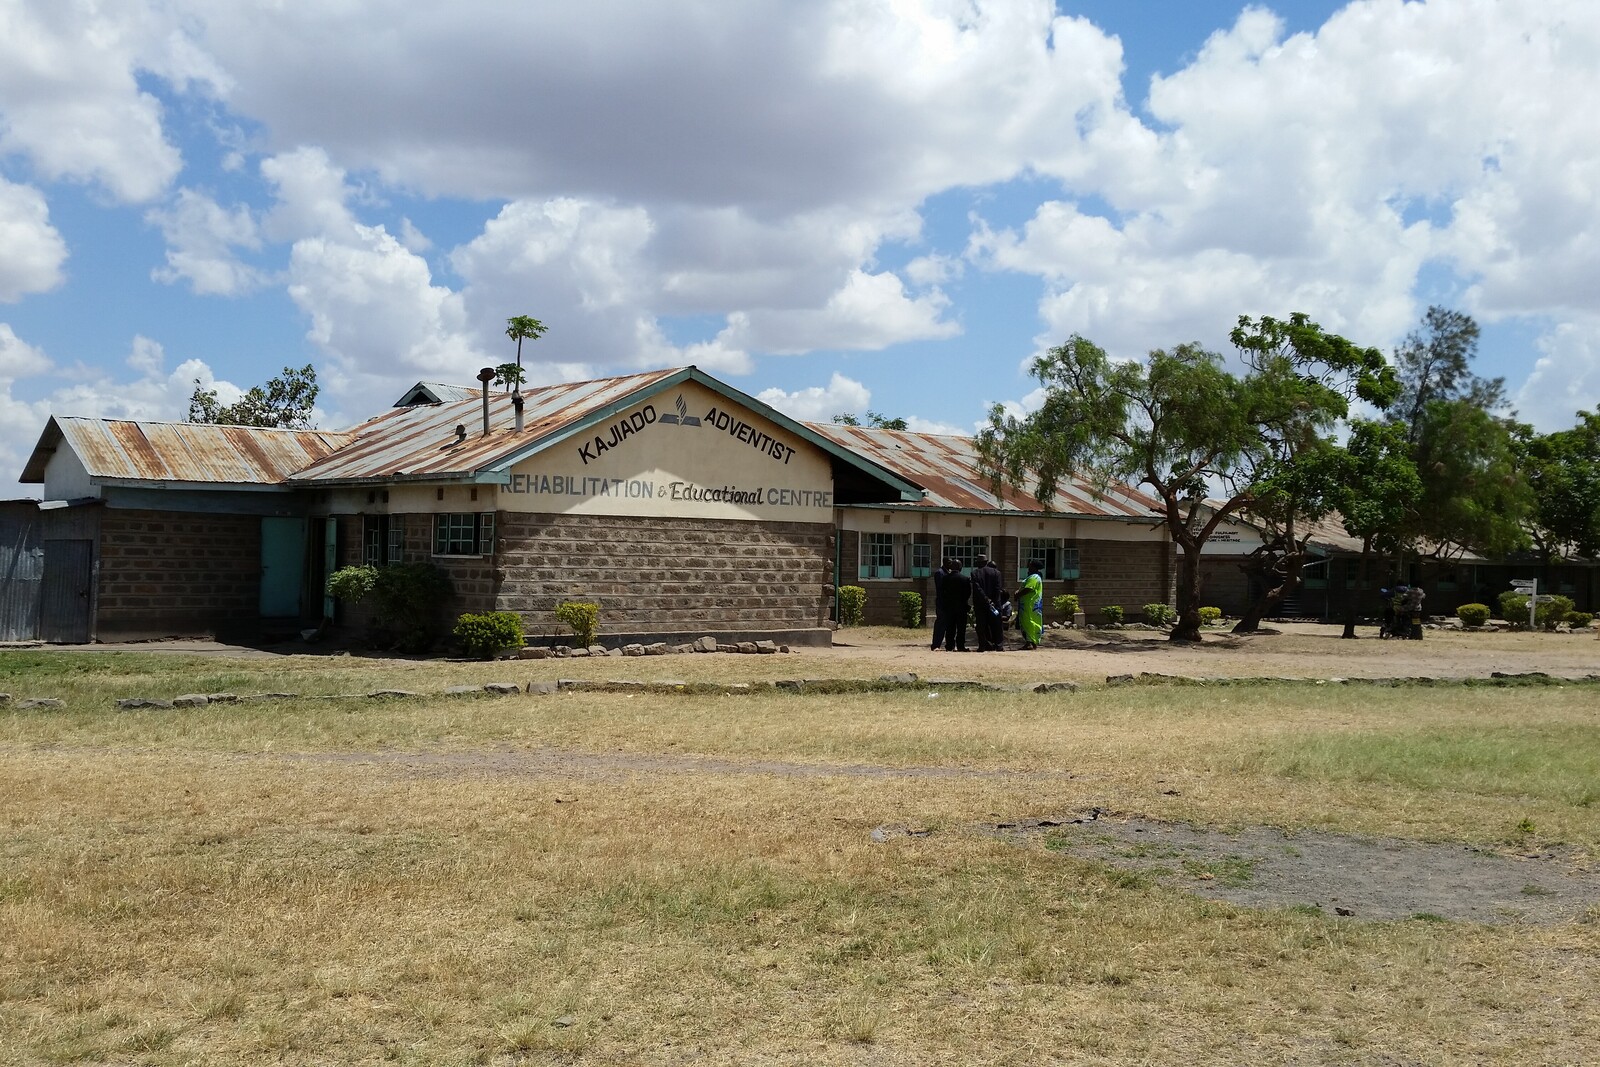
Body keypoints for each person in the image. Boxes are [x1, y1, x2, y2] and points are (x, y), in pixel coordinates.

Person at [970, 553, 1003, 651]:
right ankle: (999, 645)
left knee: (981, 625)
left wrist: (986, 599)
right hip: (995, 603)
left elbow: (977, 589)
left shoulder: (975, 573)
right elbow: (998, 589)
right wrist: (993, 600)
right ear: (986, 562)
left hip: (981, 604)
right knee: (997, 625)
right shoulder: (996, 573)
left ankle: (983, 645)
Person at [940, 559, 972, 651]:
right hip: (961, 607)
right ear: (960, 567)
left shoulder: (945, 578)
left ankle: (949, 646)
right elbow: (968, 593)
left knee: (950, 627)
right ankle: (961, 646)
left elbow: (942, 592)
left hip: (949, 607)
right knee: (961, 628)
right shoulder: (965, 579)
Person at [1016, 561, 1045, 649]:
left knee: (1028, 622)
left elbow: (1028, 589)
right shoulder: (1036, 577)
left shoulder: (1034, 577)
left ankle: (1029, 642)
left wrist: (1017, 594)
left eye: (1030, 566)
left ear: (1034, 567)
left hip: (1029, 605)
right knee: (1032, 621)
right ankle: (1033, 642)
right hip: (1031, 605)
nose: (1028, 567)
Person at [929, 558, 949, 651]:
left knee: (944, 624)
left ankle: (940, 643)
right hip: (942, 602)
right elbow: (941, 588)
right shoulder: (940, 573)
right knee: (940, 623)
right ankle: (936, 644)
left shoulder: (946, 572)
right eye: (949, 562)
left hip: (945, 602)